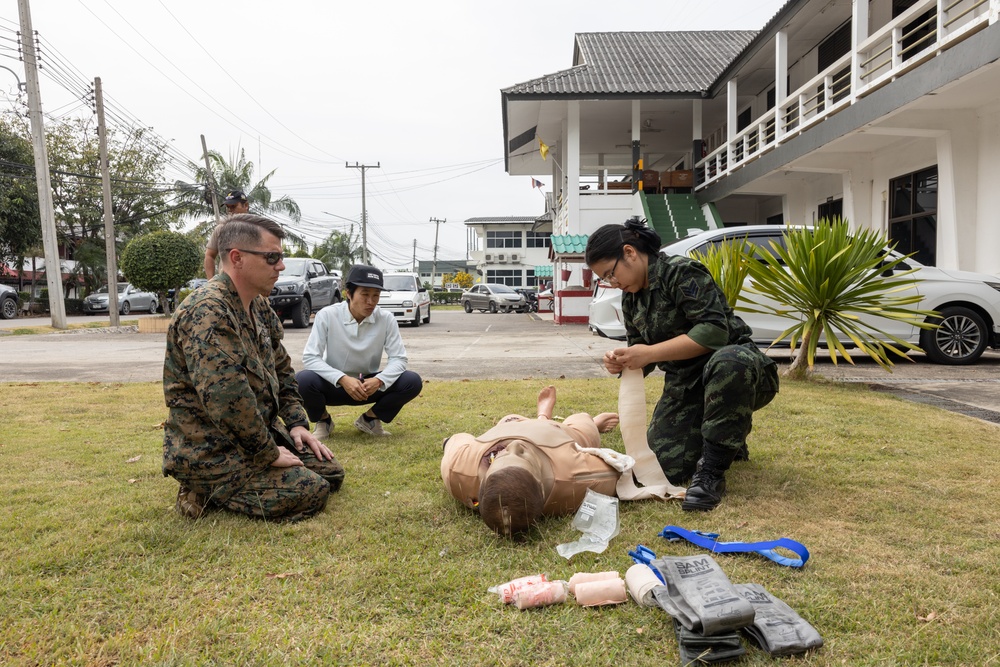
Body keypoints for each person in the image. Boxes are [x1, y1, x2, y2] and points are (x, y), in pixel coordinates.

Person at [584, 217, 779, 512]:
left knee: (728, 363)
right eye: (605, 280)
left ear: (630, 252)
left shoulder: (681, 273)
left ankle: (711, 473)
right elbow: (642, 353)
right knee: (661, 467)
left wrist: (648, 354)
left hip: (740, 373)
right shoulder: (632, 298)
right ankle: (729, 436)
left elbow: (714, 331)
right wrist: (624, 362)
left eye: (611, 274)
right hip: (686, 383)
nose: (613, 283)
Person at [163, 213, 344, 522]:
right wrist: (268, 453)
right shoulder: (207, 311)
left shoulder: (259, 306)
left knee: (332, 473)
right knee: (311, 490)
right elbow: (226, 398)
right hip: (211, 447)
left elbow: (283, 371)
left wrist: (298, 424)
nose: (281, 266)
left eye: (281, 257)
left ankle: (229, 481)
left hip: (255, 434)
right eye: (272, 257)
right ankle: (200, 485)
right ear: (237, 258)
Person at [441, 385, 621, 537]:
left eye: (499, 456)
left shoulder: (459, 470)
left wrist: (449, 444)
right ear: (541, 485)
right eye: (522, 455)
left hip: (512, 424)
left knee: (509, 418)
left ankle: (542, 415)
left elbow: (455, 441)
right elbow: (616, 471)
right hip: (561, 433)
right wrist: (590, 429)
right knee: (582, 421)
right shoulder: (574, 477)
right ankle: (563, 420)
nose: (515, 444)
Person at [296, 264, 422, 437]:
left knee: (412, 381)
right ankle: (323, 420)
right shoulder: (327, 315)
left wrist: (379, 380)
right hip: (335, 385)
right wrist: (342, 379)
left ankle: (370, 419)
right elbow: (310, 357)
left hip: (368, 385)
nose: (371, 302)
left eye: (376, 295)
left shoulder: (386, 319)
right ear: (348, 293)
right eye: (365, 295)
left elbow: (399, 359)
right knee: (302, 380)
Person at [204, 190, 251, 279]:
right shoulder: (221, 229)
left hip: (250, 283)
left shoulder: (258, 229)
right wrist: (211, 282)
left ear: (246, 205)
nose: (230, 211)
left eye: (233, 206)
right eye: (228, 207)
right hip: (227, 284)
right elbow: (209, 255)